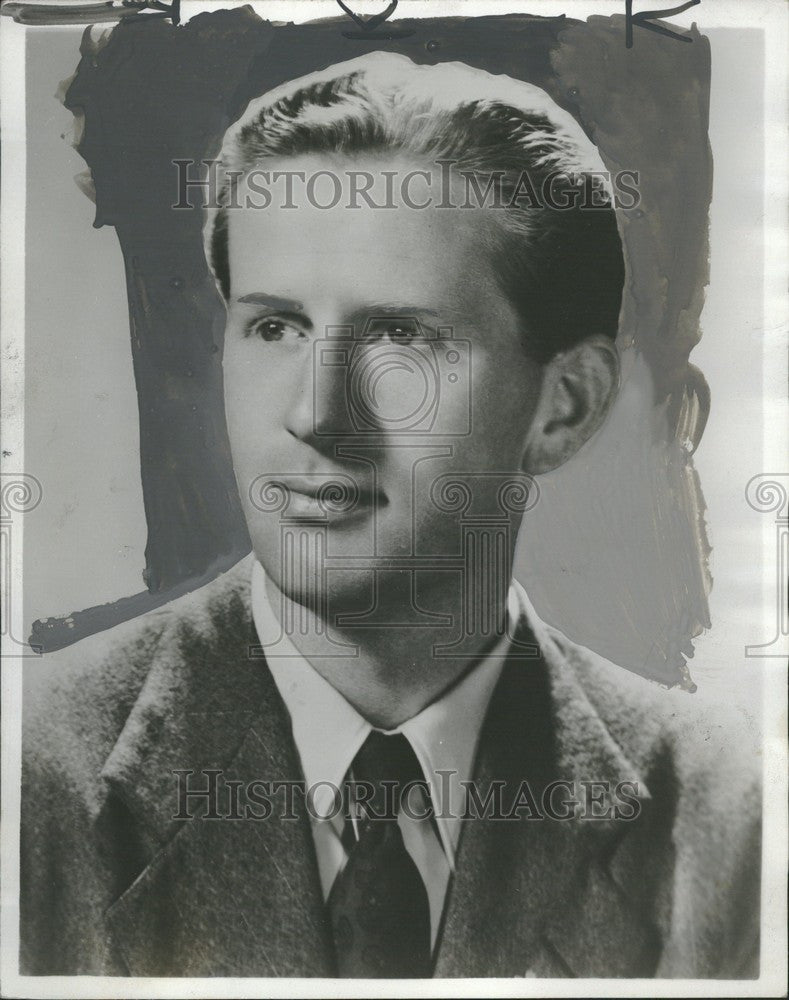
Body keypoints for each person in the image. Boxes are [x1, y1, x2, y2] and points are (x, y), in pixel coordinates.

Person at [21, 53, 760, 979]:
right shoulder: (34, 768)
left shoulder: (720, 810)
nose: (317, 413)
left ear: (562, 405)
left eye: (401, 336)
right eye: (275, 327)